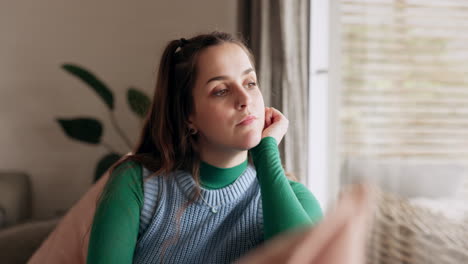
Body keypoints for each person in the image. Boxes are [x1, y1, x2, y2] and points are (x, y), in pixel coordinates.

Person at [87, 31, 323, 263]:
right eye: (221, 90)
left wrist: (265, 151)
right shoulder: (136, 184)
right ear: (188, 116)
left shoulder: (294, 199)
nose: (245, 99)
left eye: (250, 83)